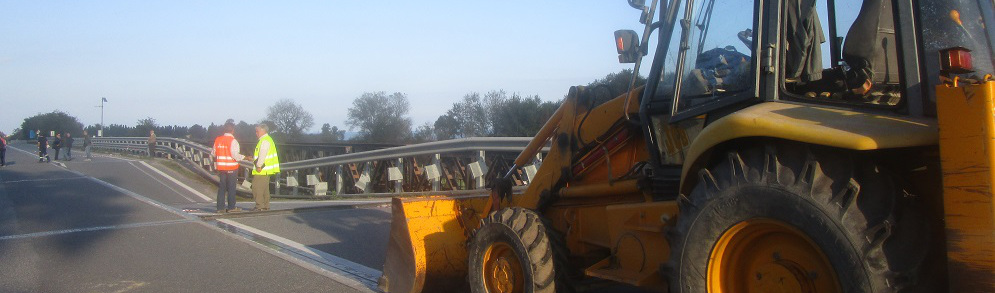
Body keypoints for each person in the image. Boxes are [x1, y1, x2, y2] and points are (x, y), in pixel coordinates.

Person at [212, 122, 245, 213]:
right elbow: (235, 155)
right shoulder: (233, 141)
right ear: (233, 130)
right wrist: (244, 157)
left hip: (221, 167)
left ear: (224, 129)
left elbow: (213, 153)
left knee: (222, 188)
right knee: (231, 188)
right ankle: (231, 207)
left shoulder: (218, 140)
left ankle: (220, 208)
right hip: (231, 168)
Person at [249, 123, 280, 211]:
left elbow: (263, 154)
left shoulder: (264, 141)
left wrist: (259, 165)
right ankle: (265, 206)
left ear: (263, 130)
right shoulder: (268, 139)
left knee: (256, 187)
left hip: (262, 169)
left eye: (257, 131)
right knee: (264, 189)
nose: (256, 133)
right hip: (267, 169)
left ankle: (260, 206)